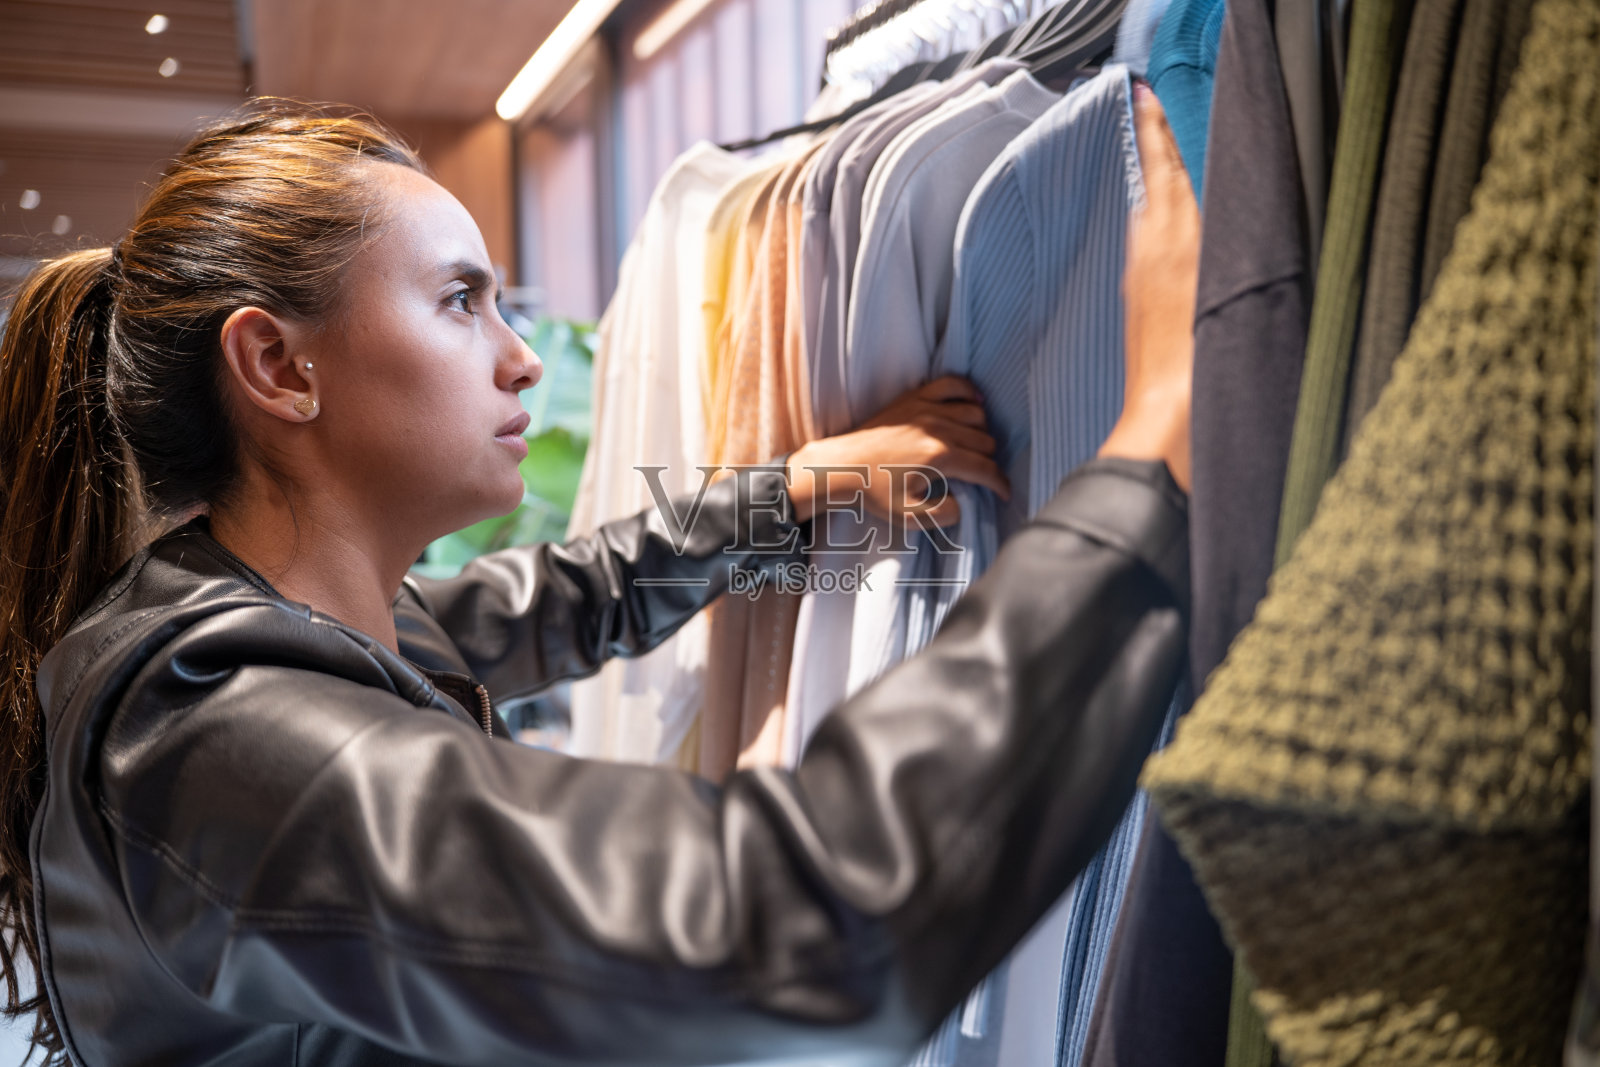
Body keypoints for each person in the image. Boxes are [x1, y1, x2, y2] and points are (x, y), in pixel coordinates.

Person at [0, 83, 1198, 1067]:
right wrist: (1142, 474)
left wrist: (798, 492)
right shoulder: (212, 729)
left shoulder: (316, 622)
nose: (523, 358)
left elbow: (582, 594)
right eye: (460, 301)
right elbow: (773, 927)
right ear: (278, 365)